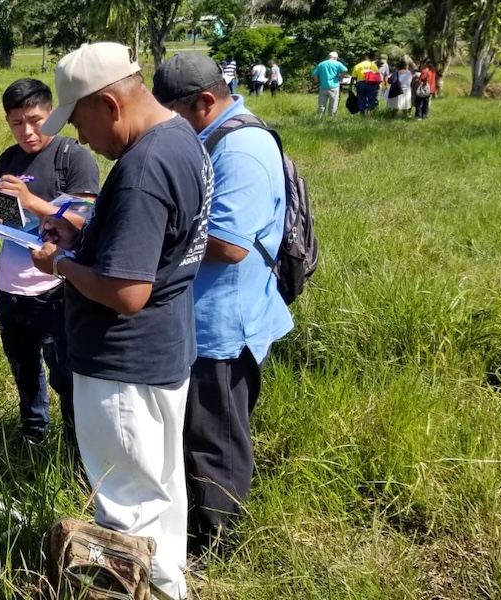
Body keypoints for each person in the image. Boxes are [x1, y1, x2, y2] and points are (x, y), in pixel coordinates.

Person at [29, 42, 212, 600]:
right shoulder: (181, 138)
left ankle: (139, 590)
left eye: (78, 121)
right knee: (160, 492)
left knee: (126, 506)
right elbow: (154, 245)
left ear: (109, 104)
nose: (80, 138)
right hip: (163, 350)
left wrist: (60, 264)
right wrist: (86, 235)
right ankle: (168, 587)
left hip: (123, 365)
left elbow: (128, 292)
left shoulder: (142, 169)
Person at [152, 52, 294, 559]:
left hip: (224, 327)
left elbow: (230, 244)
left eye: (171, 116)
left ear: (204, 102)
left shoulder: (242, 149)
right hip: (200, 317)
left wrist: (154, 228)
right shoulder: (212, 136)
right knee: (194, 430)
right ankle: (193, 527)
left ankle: (218, 545)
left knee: (215, 438)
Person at [0, 78, 99, 445]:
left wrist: (31, 200)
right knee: (23, 369)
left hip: (56, 285)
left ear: (52, 114)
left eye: (35, 120)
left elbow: (85, 221)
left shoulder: (73, 157)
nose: (27, 131)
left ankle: (77, 445)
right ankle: (33, 434)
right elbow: (11, 218)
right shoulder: (8, 159)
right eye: (16, 123)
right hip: (10, 285)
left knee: (66, 375)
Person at [312, 51, 348, 117]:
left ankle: (320, 116)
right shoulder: (337, 63)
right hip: (334, 86)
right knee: (333, 103)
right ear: (335, 58)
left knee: (321, 104)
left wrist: (316, 81)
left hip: (323, 86)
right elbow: (345, 70)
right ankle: (331, 117)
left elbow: (314, 74)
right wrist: (341, 77)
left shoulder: (321, 64)